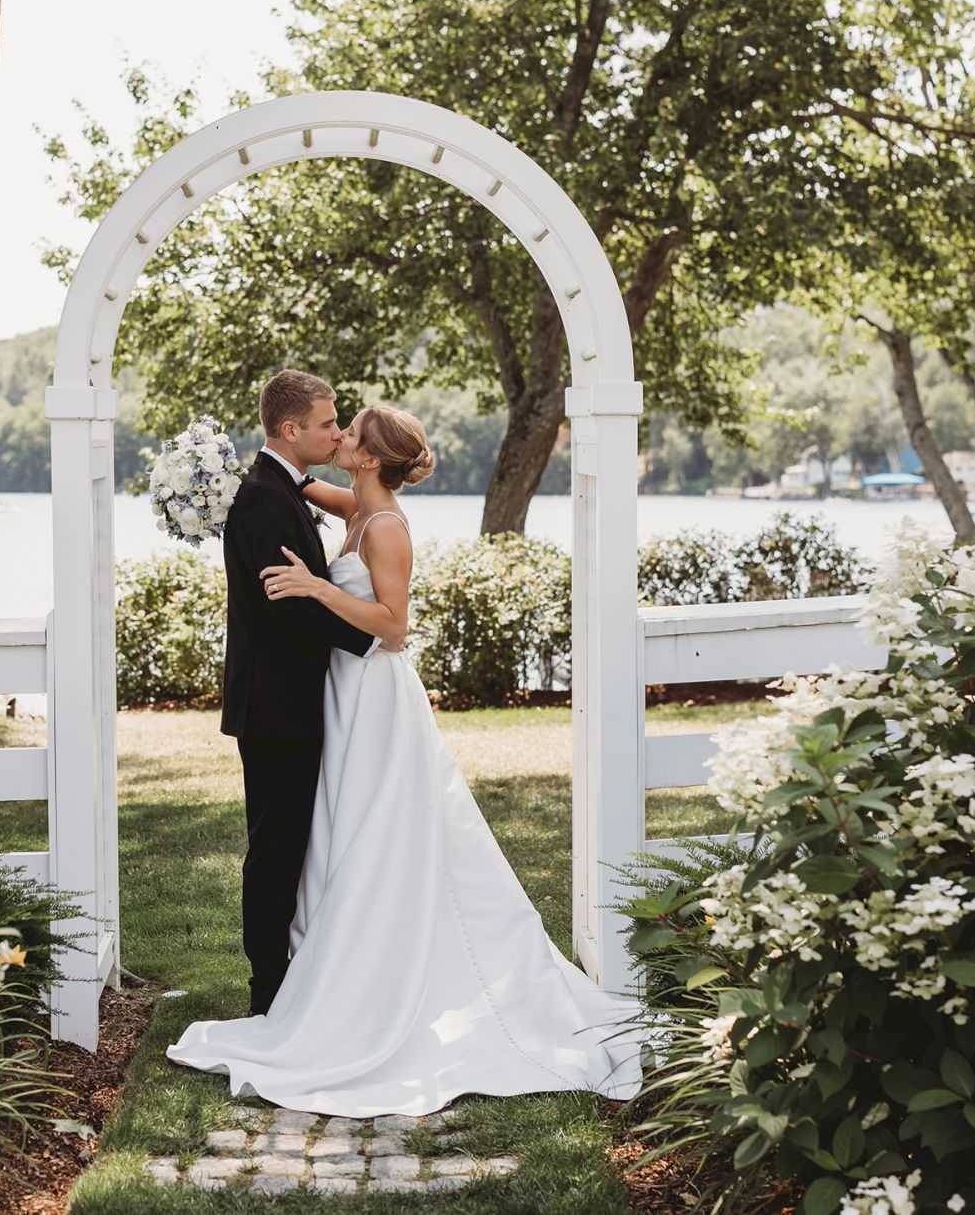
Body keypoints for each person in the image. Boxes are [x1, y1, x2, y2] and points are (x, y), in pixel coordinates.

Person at [168, 398, 643, 1117]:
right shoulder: (352, 504)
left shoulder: (385, 526)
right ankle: (329, 973)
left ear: (369, 456)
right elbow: (288, 487)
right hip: (339, 695)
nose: (340, 435)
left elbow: (393, 627)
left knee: (384, 826)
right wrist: (220, 476)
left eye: (350, 431)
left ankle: (384, 973)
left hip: (377, 695)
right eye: (333, 424)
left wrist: (318, 585)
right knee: (340, 830)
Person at [216, 370, 381, 1017]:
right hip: (276, 704)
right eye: (325, 423)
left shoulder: (281, 487)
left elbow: (360, 513)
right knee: (276, 848)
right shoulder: (262, 500)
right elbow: (286, 604)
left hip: (291, 699)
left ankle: (293, 975)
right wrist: (376, 642)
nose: (335, 432)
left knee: (292, 843)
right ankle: (267, 993)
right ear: (291, 430)